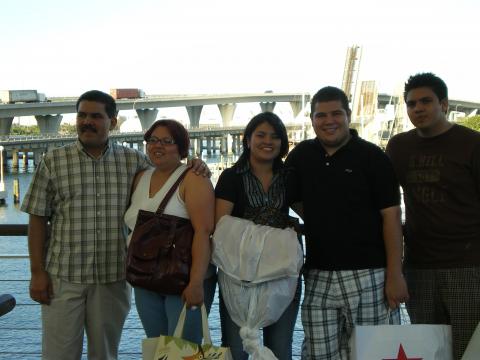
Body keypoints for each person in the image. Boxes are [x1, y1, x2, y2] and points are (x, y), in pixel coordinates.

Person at [21, 90, 209, 360]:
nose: (88, 121)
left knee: (106, 354)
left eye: (96, 116)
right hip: (63, 277)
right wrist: (37, 272)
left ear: (112, 122)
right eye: (82, 115)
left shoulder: (134, 162)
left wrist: (196, 165)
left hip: (114, 278)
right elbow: (37, 219)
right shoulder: (53, 161)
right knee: (58, 355)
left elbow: (168, 167)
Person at [285, 86, 409, 359]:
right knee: (318, 353)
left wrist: (395, 274)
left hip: (370, 274)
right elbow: (284, 194)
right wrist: (315, 219)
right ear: (312, 119)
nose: (329, 121)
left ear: (348, 115)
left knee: (374, 353)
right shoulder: (301, 156)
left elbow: (391, 217)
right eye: (321, 115)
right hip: (317, 274)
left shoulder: (373, 157)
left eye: (336, 113)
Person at [386, 73, 480, 360]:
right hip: (418, 267)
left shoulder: (471, 143)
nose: (418, 109)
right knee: (429, 351)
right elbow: (387, 205)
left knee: (469, 350)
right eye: (411, 103)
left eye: (426, 101)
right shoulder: (398, 147)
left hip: (468, 265)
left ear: (444, 104)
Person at [215, 112, 301, 360]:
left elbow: (312, 214)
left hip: (281, 273)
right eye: (261, 135)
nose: (268, 141)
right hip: (239, 275)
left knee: (281, 349)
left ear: (282, 143)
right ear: (248, 140)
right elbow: (220, 226)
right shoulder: (232, 177)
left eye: (275, 136)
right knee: (236, 348)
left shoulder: (289, 178)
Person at [124, 119, 215, 343]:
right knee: (157, 347)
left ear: (181, 148)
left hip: (183, 281)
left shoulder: (193, 178)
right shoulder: (140, 177)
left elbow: (204, 232)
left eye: (167, 141)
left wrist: (196, 283)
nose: (158, 146)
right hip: (145, 278)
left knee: (183, 349)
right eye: (153, 140)